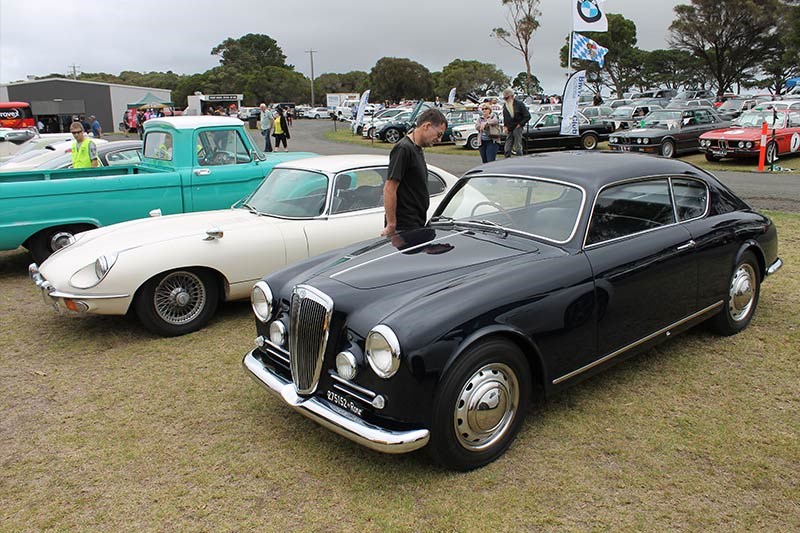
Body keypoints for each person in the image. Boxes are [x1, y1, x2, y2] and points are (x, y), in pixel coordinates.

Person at [381, 108, 447, 240]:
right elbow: (389, 188)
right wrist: (391, 225)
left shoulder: (417, 149)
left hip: (416, 223)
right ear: (427, 126)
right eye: (439, 134)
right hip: (403, 227)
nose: (439, 140)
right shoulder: (403, 149)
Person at [501, 88, 530, 157]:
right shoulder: (505, 106)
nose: (506, 100)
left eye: (507, 98)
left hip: (517, 127)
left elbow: (527, 116)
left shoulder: (519, 104)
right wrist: (505, 126)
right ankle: (507, 158)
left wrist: (520, 124)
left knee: (518, 146)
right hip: (509, 128)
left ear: (511, 96)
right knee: (507, 147)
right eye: (504, 98)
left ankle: (520, 158)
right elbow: (505, 117)